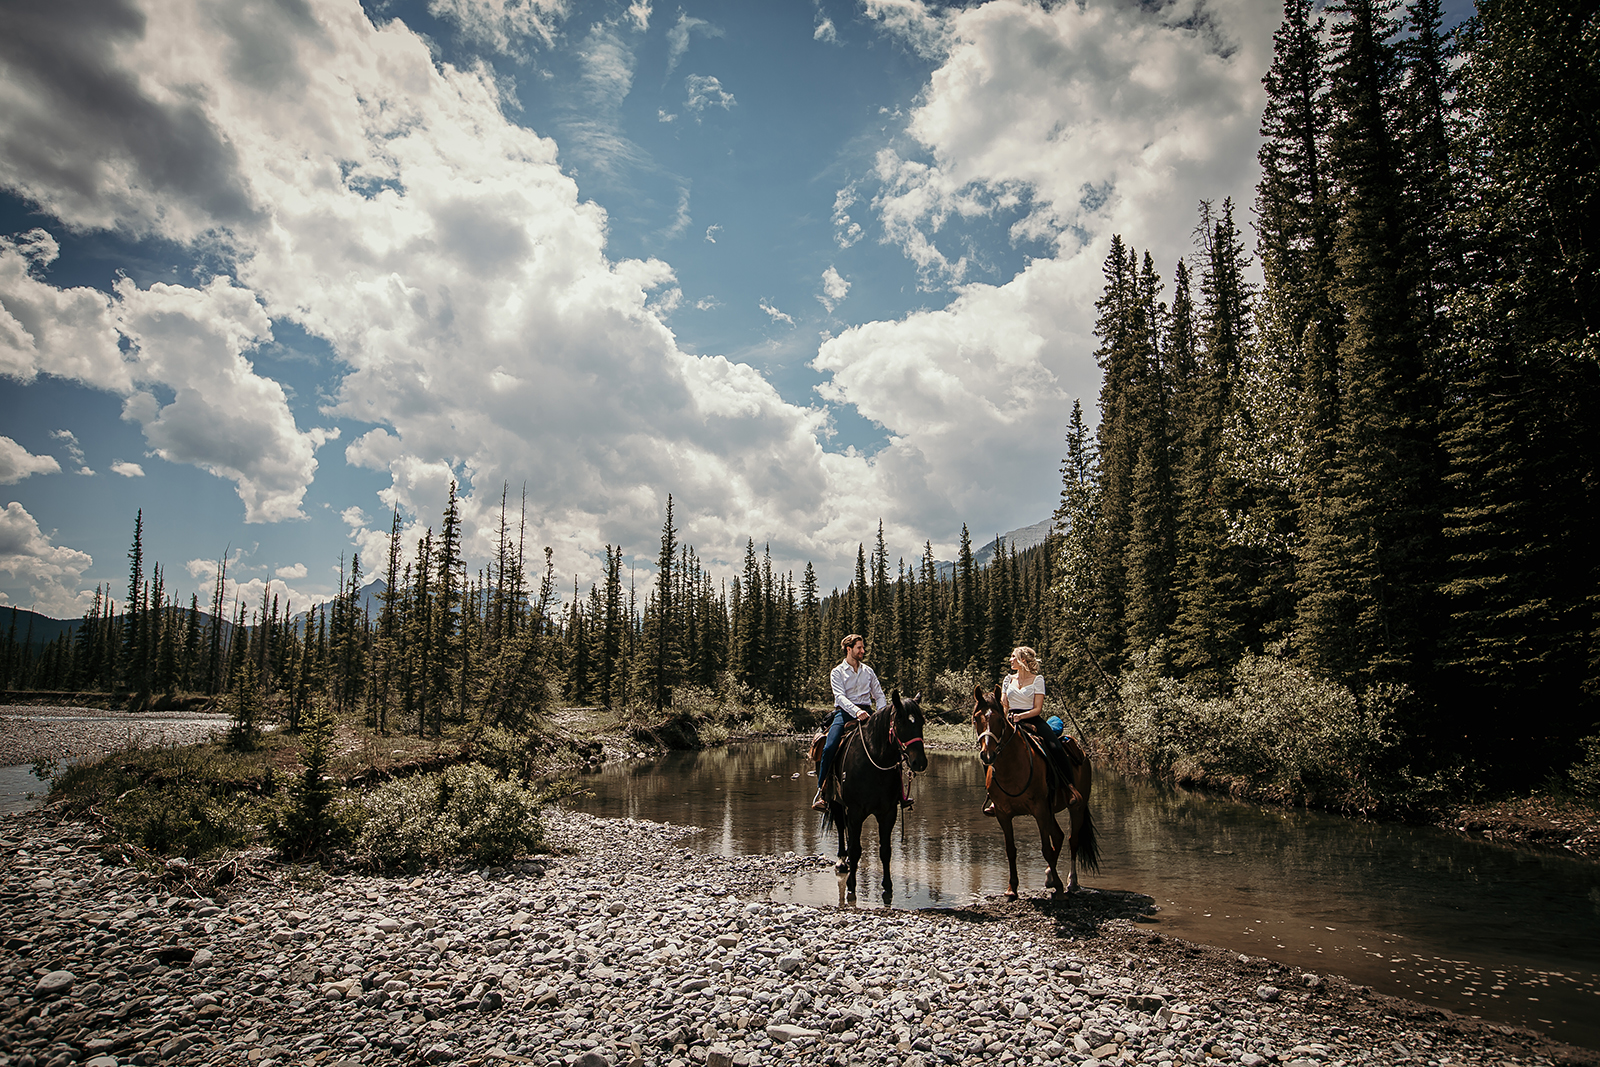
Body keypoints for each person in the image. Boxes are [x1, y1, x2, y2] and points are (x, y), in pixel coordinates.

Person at [984, 645, 1073, 815]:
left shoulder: (1037, 680)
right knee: (990, 749)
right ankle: (993, 796)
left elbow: (1037, 708)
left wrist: (1020, 717)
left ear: (1022, 660)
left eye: (1013, 657)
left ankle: (1069, 788)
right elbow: (1004, 705)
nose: (1010, 660)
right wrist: (1006, 718)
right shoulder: (1007, 679)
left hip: (1032, 718)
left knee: (1056, 747)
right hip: (1010, 720)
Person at [813, 633, 884, 812]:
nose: (863, 650)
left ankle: (900, 793)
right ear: (849, 649)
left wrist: (881, 713)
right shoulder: (837, 672)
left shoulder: (868, 671)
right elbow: (840, 697)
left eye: (862, 647)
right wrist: (856, 711)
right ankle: (823, 792)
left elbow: (879, 694)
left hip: (868, 712)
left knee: (891, 742)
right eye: (859, 647)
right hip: (844, 713)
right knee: (829, 747)